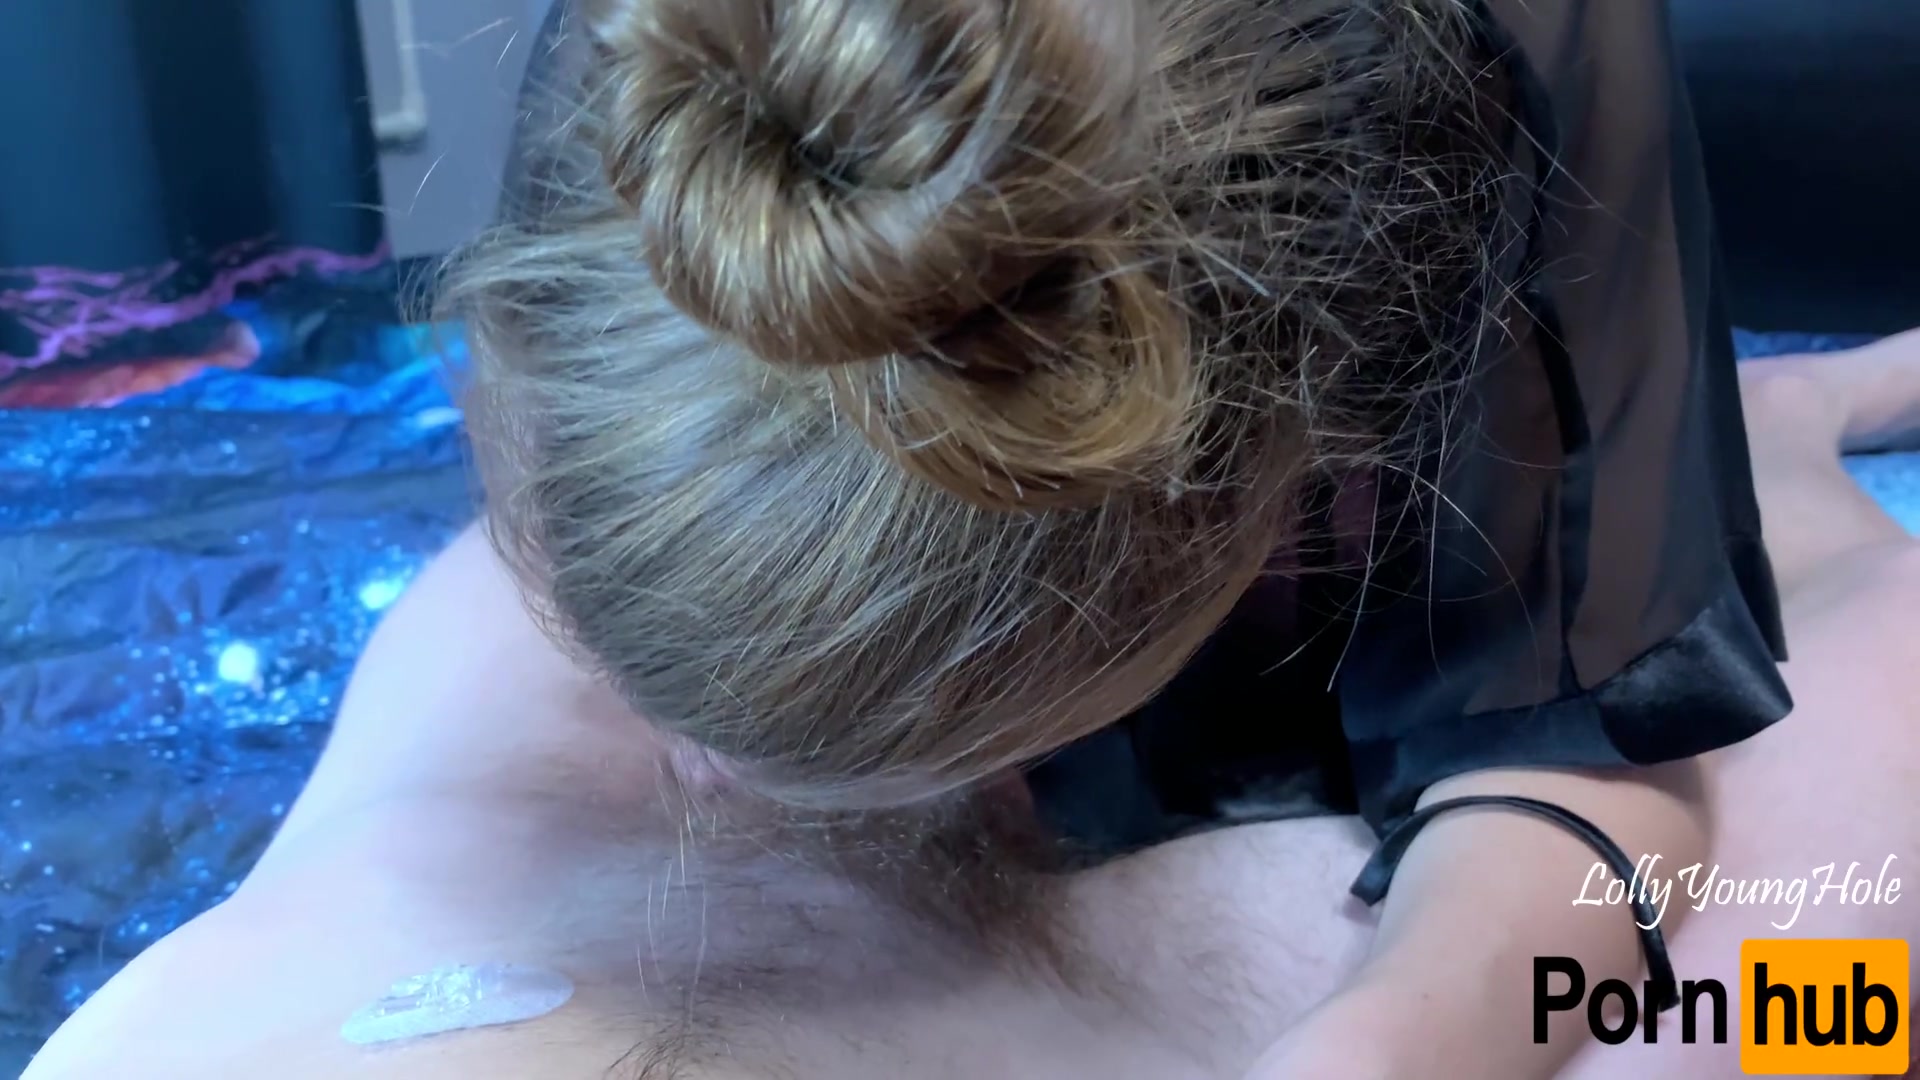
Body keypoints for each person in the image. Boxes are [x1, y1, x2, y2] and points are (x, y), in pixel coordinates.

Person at [444, 0, 1783, 1072]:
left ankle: (1811, 408)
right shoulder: (657, 72)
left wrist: (1371, 1053)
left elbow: (1593, 721)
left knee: (1793, 937)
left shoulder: (1504, 77)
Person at [21, 332, 1920, 1079]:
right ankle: (1787, 430)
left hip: (490, 911)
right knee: (1797, 990)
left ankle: (1764, 433)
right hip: (1162, 974)